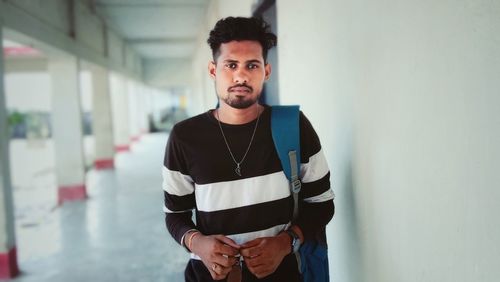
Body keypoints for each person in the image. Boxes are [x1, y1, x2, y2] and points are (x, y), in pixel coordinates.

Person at [163, 16, 335, 281]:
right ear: (213, 70)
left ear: (266, 71)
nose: (241, 75)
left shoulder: (293, 126)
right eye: (231, 65)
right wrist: (199, 244)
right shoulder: (185, 137)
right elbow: (175, 215)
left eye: (251, 65)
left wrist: (285, 243)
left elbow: (322, 204)